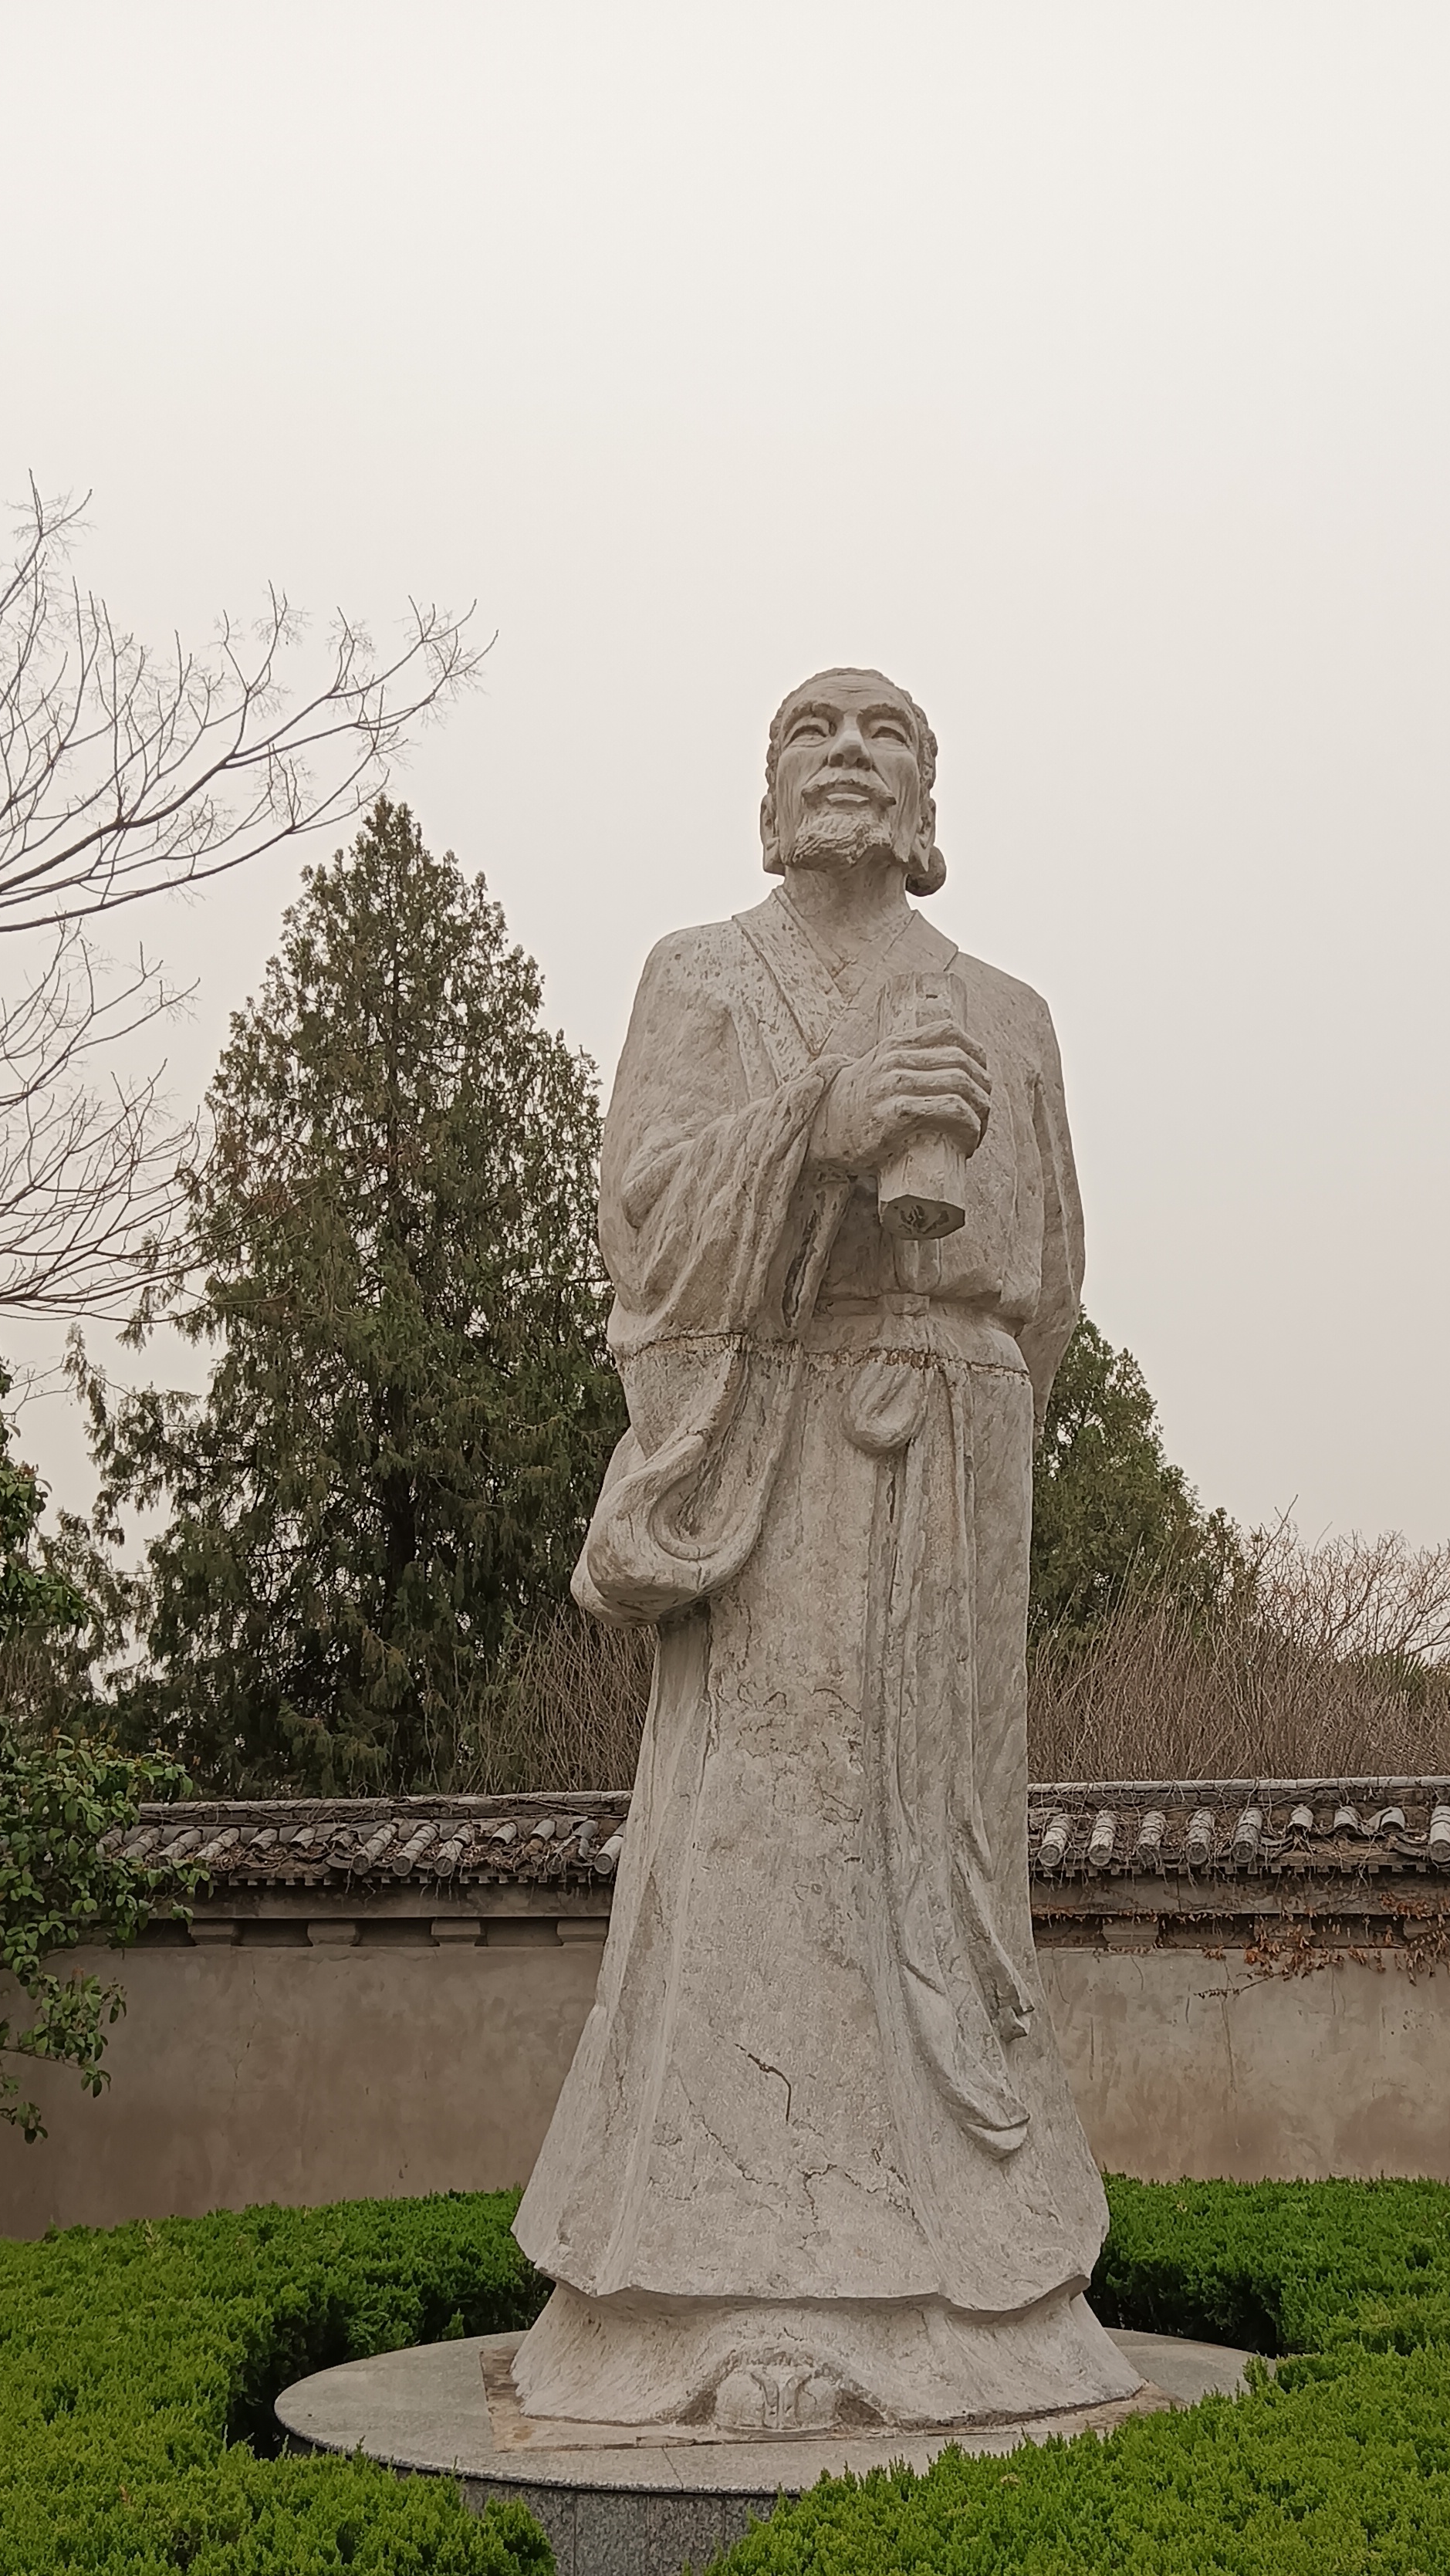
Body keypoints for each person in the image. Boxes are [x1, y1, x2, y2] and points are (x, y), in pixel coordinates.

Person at [509, 668, 1133, 2432]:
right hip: (771, 1479)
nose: (849, 752)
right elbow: (641, 1218)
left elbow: (1056, 1279)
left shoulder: (1007, 1013)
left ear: (931, 799)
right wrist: (823, 1128)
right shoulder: (698, 979)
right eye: (813, 729)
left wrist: (959, 1389)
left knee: (941, 1863)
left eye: (887, 734)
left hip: (941, 1477)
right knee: (751, 1842)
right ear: (770, 789)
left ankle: (986, 2284)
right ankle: (701, 2279)